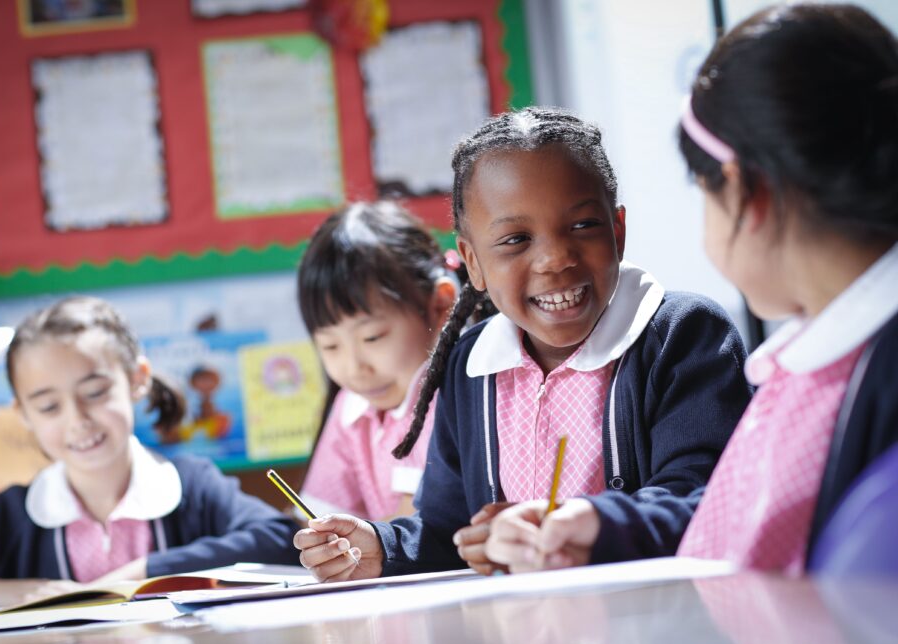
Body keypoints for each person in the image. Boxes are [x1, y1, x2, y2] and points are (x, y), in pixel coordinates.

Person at [489, 3, 898, 576]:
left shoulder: (870, 374)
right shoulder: (827, 360)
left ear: (742, 193)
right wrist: (606, 527)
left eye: (702, 194)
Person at [295, 108, 752, 581]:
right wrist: (384, 547)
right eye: (515, 239)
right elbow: (447, 529)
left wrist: (587, 527)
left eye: (582, 226)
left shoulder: (683, 335)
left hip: (652, 638)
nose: (555, 259)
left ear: (617, 230)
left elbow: (705, 499)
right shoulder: (470, 366)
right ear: (472, 261)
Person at [0, 296, 300, 617]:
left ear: (137, 379)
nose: (78, 421)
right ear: (23, 413)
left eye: (96, 393)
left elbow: (282, 538)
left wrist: (147, 572)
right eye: (50, 406)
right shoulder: (5, 519)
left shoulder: (191, 486)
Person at [297, 201, 458, 521]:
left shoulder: (451, 395)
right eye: (330, 346)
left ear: (440, 305)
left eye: (372, 337)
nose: (355, 368)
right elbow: (319, 515)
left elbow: (410, 523)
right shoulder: (352, 405)